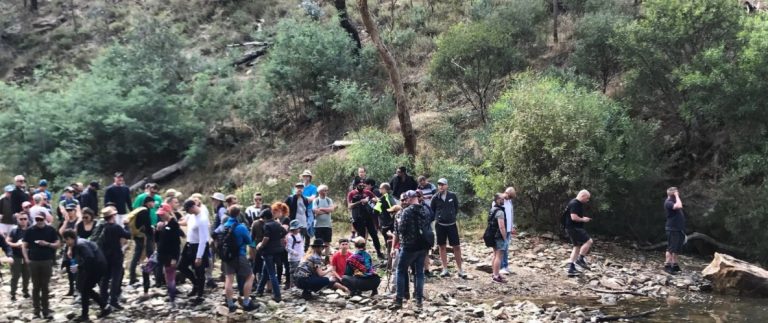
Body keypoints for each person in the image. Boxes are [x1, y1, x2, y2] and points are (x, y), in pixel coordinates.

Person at [390, 190, 430, 310]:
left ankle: (399, 300)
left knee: (401, 271)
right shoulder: (425, 210)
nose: (404, 201)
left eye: (406, 198)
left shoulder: (406, 212)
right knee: (419, 273)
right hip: (422, 246)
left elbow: (401, 230)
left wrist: (398, 221)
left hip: (409, 246)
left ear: (410, 198)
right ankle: (419, 301)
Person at [62, 230, 112, 321]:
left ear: (71, 238)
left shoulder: (81, 244)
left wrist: (79, 266)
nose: (66, 243)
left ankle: (86, 315)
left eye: (66, 240)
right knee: (85, 288)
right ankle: (104, 306)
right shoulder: (79, 242)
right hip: (96, 266)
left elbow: (90, 258)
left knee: (85, 289)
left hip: (97, 267)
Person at [215, 206, 258, 312]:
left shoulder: (223, 226)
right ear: (239, 214)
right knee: (250, 276)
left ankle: (230, 304)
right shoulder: (241, 227)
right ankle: (247, 303)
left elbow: (215, 235)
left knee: (229, 279)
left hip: (227, 256)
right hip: (239, 255)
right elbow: (248, 240)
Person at [22, 211, 60, 319]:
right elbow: (24, 245)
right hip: (34, 261)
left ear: (45, 219)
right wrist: (26, 258)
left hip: (47, 260)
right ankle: (36, 310)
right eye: (37, 219)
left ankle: (46, 310)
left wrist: (47, 244)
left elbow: (58, 244)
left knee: (45, 286)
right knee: (35, 286)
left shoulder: (51, 230)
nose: (39, 221)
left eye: (41, 219)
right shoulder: (30, 230)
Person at [97, 207, 131, 310]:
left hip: (104, 256)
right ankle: (113, 301)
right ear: (112, 216)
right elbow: (128, 235)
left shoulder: (102, 227)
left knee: (105, 279)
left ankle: (103, 301)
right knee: (116, 279)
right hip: (116, 256)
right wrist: (126, 225)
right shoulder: (116, 227)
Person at [431, 178, 465, 279]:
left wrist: (451, 216)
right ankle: (445, 269)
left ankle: (460, 269)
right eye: (439, 185)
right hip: (440, 225)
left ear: (447, 186)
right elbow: (432, 210)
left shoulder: (452, 196)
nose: (441, 186)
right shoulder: (435, 197)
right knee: (442, 246)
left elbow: (456, 208)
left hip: (452, 224)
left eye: (443, 184)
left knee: (456, 246)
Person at [178, 200, 211, 303]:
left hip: (199, 246)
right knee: (181, 266)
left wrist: (199, 256)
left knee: (199, 271)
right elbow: (184, 222)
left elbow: (203, 239)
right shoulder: (191, 216)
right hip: (189, 244)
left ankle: (200, 295)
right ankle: (195, 284)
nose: (188, 212)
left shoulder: (202, 219)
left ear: (193, 207)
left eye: (188, 210)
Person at [255, 207, 287, 302]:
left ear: (265, 217)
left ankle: (277, 295)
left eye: (262, 218)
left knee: (272, 274)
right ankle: (259, 290)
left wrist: (261, 245)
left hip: (268, 251)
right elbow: (284, 232)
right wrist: (277, 238)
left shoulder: (267, 225)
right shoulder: (277, 224)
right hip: (277, 251)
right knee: (266, 271)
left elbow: (266, 238)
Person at [155, 203, 185, 307]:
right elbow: (157, 240)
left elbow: (176, 243)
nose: (161, 216)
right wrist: (157, 231)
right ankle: (171, 293)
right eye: (160, 214)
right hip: (161, 254)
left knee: (170, 275)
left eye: (163, 214)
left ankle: (172, 297)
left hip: (170, 255)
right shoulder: (163, 224)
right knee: (166, 274)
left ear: (168, 212)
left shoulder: (173, 224)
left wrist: (174, 258)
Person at [347, 182, 385, 259]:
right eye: (360, 185)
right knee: (361, 236)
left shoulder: (367, 192)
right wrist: (360, 202)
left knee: (374, 235)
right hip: (358, 217)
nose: (362, 187)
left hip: (368, 216)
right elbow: (349, 206)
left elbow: (376, 199)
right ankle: (360, 255)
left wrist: (374, 200)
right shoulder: (352, 193)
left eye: (363, 185)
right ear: (356, 185)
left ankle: (379, 253)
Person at [564, 190, 593, 276]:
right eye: (587, 198)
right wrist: (583, 219)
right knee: (589, 241)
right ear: (583, 196)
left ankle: (571, 268)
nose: (587, 200)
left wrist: (583, 218)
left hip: (570, 228)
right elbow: (573, 217)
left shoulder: (574, 203)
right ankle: (580, 259)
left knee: (576, 247)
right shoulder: (575, 203)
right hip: (574, 228)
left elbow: (574, 216)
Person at [129, 196, 156, 286]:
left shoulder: (140, 209)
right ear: (148, 202)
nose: (154, 204)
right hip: (143, 236)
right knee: (150, 255)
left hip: (137, 234)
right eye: (153, 202)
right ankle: (157, 276)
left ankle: (132, 277)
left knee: (138, 254)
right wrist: (152, 234)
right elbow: (147, 225)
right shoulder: (145, 211)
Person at [6, 212, 30, 301]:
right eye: (21, 219)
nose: (23, 221)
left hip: (28, 255)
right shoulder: (14, 230)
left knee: (27, 275)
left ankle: (25, 291)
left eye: (25, 219)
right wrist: (16, 244)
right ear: (17, 220)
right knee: (15, 276)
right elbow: (7, 241)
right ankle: (13, 293)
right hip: (16, 255)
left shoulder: (31, 230)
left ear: (28, 219)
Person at [59, 203, 80, 297]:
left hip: (76, 247)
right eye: (67, 211)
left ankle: (77, 288)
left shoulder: (78, 221)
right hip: (67, 246)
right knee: (68, 268)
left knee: (75, 267)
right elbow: (60, 232)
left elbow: (75, 233)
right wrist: (66, 221)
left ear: (75, 211)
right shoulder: (66, 221)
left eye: (71, 210)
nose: (69, 212)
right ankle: (71, 288)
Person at [664, 187, 685, 274]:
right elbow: (680, 205)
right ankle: (667, 266)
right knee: (671, 248)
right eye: (676, 193)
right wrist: (676, 196)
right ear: (672, 194)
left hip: (678, 228)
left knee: (676, 248)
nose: (678, 194)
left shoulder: (673, 201)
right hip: (672, 229)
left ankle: (675, 265)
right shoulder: (668, 202)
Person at [285, 183, 311, 252]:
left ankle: (303, 252)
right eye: (298, 187)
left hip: (304, 222)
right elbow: (284, 207)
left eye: (301, 188)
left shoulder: (305, 199)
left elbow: (305, 210)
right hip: (294, 224)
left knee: (305, 238)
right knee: (294, 239)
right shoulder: (290, 198)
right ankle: (293, 253)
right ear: (295, 189)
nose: (300, 189)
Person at [488, 193, 508, 283]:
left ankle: (495, 273)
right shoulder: (500, 211)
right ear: (497, 200)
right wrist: (505, 238)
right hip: (498, 236)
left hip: (492, 235)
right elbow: (502, 227)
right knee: (499, 256)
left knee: (495, 255)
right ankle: (496, 276)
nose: (503, 200)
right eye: (502, 199)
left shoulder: (492, 209)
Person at [374, 183, 397, 254]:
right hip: (390, 222)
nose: (379, 190)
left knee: (389, 241)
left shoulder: (383, 198)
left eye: (380, 188)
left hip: (386, 223)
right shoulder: (391, 197)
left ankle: (390, 258)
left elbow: (375, 211)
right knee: (392, 240)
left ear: (384, 189)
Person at [312, 185, 336, 251]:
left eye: (326, 190)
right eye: (324, 190)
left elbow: (331, 209)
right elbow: (316, 211)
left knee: (327, 242)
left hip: (328, 225)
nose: (325, 192)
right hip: (318, 225)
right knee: (318, 242)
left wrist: (321, 208)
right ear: (319, 192)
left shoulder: (329, 200)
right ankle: (318, 257)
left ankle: (327, 257)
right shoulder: (316, 200)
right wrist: (326, 211)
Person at [499, 187, 516, 275]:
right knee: (501, 248)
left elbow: (511, 213)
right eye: (510, 196)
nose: (510, 199)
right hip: (502, 228)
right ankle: (501, 267)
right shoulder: (499, 200)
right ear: (507, 193)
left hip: (508, 228)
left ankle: (505, 266)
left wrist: (512, 226)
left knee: (506, 248)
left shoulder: (509, 201)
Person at [287, 220, 305, 289]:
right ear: (293, 229)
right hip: (293, 258)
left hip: (300, 257)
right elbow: (288, 248)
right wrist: (294, 252)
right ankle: (293, 285)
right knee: (293, 272)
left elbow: (301, 245)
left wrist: (303, 254)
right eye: (298, 228)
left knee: (300, 271)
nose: (299, 229)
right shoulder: (290, 237)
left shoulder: (299, 235)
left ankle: (298, 284)